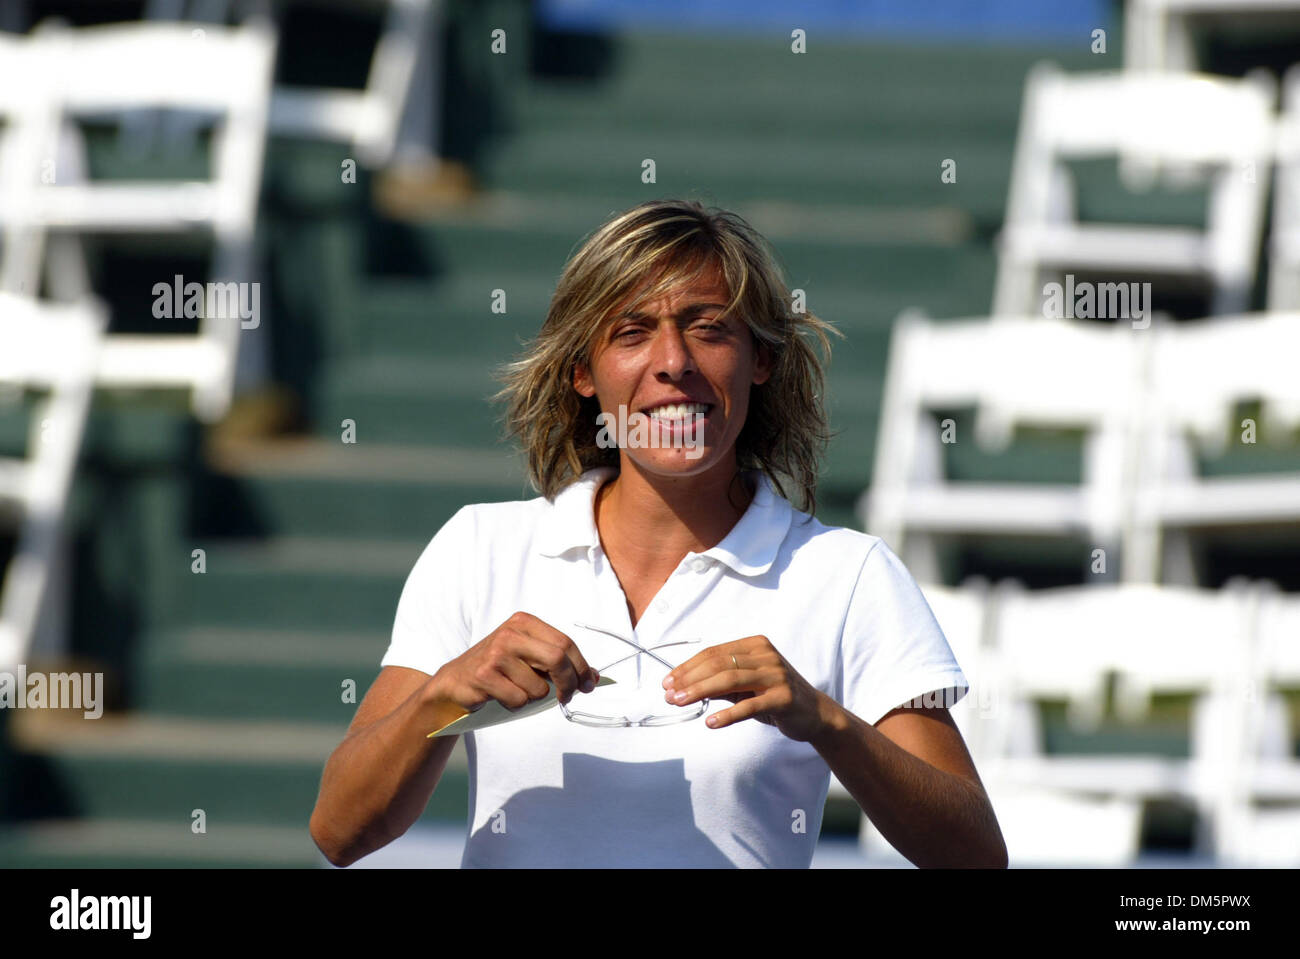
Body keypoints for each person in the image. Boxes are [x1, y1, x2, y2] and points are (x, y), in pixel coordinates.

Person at [309, 199, 1008, 868]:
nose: (673, 361)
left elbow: (975, 854)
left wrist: (824, 720)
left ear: (760, 359)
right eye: (632, 331)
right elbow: (339, 831)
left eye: (709, 327)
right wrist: (447, 693)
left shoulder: (850, 574)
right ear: (581, 372)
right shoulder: (478, 548)